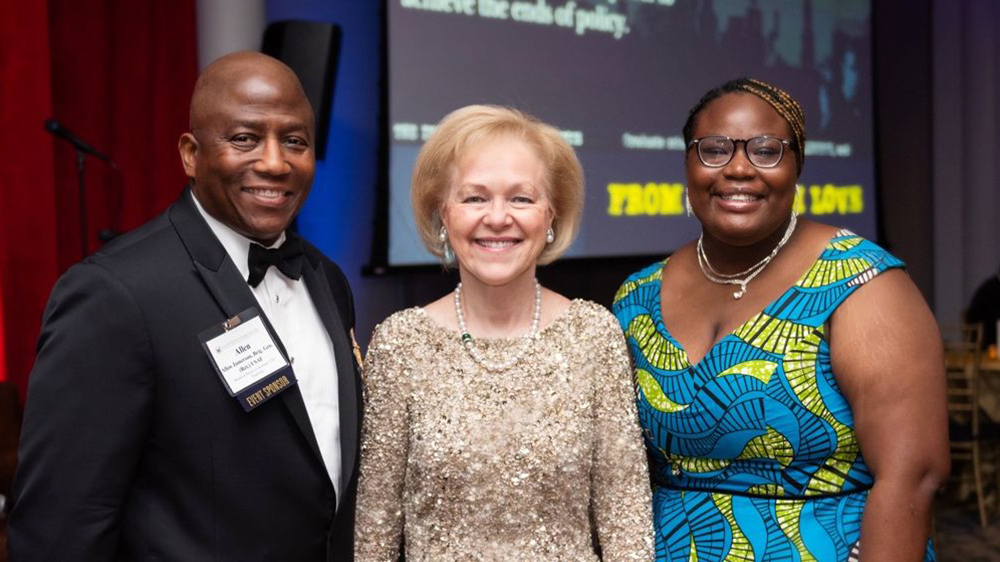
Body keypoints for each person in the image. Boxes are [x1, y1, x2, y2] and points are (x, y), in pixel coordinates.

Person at [8, 52, 361, 560]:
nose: (275, 162)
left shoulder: (327, 278)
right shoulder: (115, 294)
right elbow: (59, 526)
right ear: (191, 154)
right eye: (244, 138)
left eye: (295, 141)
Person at [612, 78, 949, 561]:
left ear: (796, 167)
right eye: (714, 150)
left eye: (767, 151)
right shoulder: (636, 296)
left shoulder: (859, 282)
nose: (739, 169)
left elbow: (914, 476)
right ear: (687, 163)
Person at [354, 105, 654, 560]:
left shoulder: (594, 334)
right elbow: (373, 532)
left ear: (552, 215)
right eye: (474, 198)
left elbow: (624, 516)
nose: (497, 218)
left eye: (521, 198)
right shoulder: (401, 344)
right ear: (443, 213)